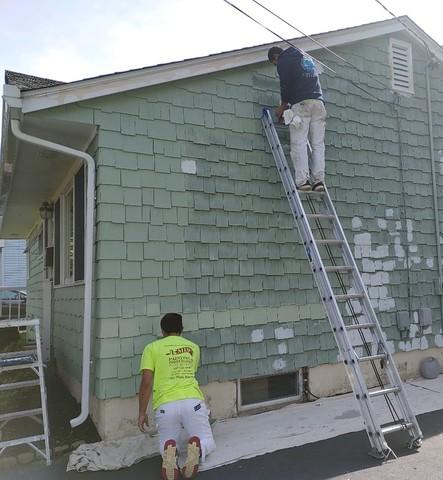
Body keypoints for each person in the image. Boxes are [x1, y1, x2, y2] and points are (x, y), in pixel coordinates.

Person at [138, 313, 215, 480]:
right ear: (181, 329)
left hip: (166, 406)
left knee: (166, 443)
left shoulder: (151, 348)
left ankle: (170, 454)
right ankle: (199, 449)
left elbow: (146, 382)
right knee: (206, 440)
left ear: (162, 331)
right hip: (192, 402)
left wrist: (142, 413)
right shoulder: (193, 347)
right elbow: (191, 373)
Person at [268, 45, 327, 192]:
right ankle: (318, 181)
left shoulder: (284, 60)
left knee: (299, 141)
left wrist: (282, 106)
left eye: (274, 64)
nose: (277, 66)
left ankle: (303, 181)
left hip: (301, 104)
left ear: (275, 58)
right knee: (318, 144)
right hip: (318, 103)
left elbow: (285, 84)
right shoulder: (304, 56)